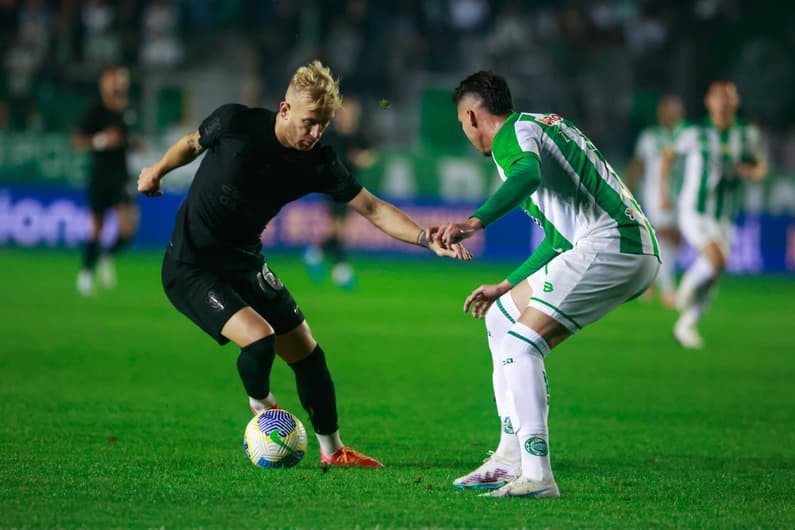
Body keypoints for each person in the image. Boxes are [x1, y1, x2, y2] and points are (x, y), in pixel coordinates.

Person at [137, 60, 469, 468]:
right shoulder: (236, 121)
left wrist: (424, 238)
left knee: (309, 356)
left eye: (324, 124)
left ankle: (334, 452)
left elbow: (372, 208)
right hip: (191, 266)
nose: (315, 133)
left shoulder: (318, 162)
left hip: (245, 262)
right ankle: (265, 413)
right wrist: (156, 171)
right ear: (284, 110)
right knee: (259, 340)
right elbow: (191, 143)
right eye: (310, 122)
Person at [428, 71, 660, 497]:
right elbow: (558, 239)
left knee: (520, 346)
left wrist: (474, 221)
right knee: (501, 318)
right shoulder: (538, 128)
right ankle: (509, 455)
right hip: (617, 245)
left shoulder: (512, 137)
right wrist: (505, 285)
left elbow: (527, 176)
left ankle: (536, 475)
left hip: (613, 245)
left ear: (472, 115)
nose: (466, 132)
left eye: (463, 124)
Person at [661, 80, 766, 349]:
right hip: (694, 211)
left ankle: (686, 325)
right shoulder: (693, 132)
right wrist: (664, 190)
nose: (723, 102)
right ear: (709, 102)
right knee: (715, 260)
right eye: (718, 97)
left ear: (736, 102)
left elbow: (759, 166)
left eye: (729, 97)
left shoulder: (747, 134)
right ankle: (684, 291)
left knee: (714, 273)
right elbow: (669, 155)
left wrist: (752, 173)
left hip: (726, 215)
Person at [72, 65, 138, 296]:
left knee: (129, 227)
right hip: (100, 175)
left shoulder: (127, 110)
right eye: (114, 79)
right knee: (97, 227)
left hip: (121, 176)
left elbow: (125, 139)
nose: (119, 83)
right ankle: (86, 273)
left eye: (121, 79)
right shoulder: (95, 110)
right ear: (104, 83)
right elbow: (78, 141)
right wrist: (101, 140)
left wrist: (134, 144)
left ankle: (107, 256)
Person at [303, 95, 376, 289]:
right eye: (346, 112)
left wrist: (363, 158)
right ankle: (340, 269)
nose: (349, 116)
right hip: (334, 186)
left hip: (352, 187)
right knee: (339, 229)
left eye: (353, 113)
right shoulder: (331, 137)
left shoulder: (359, 136)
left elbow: (369, 156)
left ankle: (316, 254)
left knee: (339, 230)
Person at [626, 95, 685, 308]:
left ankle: (648, 279)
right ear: (662, 113)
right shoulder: (650, 137)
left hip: (682, 196)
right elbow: (638, 164)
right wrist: (628, 191)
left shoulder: (685, 136)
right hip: (657, 195)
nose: (674, 115)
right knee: (666, 236)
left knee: (674, 241)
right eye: (670, 110)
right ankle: (669, 292)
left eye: (677, 110)